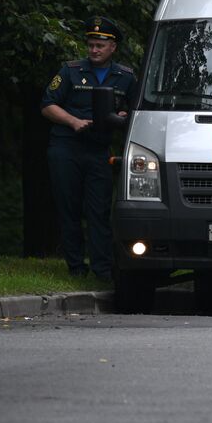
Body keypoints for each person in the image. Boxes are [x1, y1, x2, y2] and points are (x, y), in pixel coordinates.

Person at [40, 16, 141, 280]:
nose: (94, 50)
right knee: (69, 207)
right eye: (91, 45)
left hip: (98, 150)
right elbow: (47, 105)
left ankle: (102, 269)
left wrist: (123, 113)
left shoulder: (126, 77)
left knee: (98, 210)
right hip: (66, 147)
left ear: (112, 48)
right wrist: (73, 121)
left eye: (99, 45)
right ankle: (75, 267)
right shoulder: (70, 70)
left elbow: (137, 110)